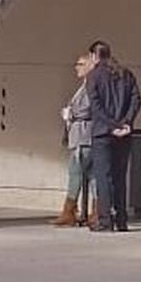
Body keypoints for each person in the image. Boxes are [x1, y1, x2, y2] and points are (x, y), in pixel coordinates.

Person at [85, 40, 141, 233]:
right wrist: (126, 122)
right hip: (124, 133)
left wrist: (112, 126)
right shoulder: (126, 74)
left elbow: (96, 107)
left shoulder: (93, 77)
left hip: (103, 133)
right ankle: (122, 220)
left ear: (94, 56)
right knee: (120, 177)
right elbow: (136, 99)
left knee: (103, 177)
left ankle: (105, 220)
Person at [52, 54, 95, 228]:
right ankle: (93, 212)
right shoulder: (84, 86)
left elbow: (88, 108)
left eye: (81, 64)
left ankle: (69, 211)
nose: (77, 67)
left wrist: (71, 113)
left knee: (76, 173)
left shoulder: (91, 86)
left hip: (83, 136)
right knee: (90, 175)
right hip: (80, 135)